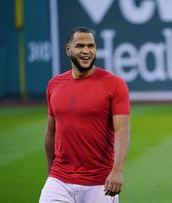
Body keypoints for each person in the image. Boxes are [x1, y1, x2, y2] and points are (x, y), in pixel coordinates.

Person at [39, 27, 131, 203]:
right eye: (80, 46)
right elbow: (51, 131)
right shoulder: (54, 85)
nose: (86, 51)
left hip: (99, 183)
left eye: (91, 46)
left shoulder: (114, 85)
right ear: (68, 49)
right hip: (60, 180)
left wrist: (117, 170)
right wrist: (51, 172)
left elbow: (122, 131)